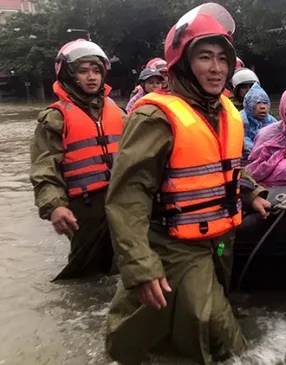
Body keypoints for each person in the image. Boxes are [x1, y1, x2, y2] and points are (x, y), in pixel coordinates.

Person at [103, 3, 271, 364]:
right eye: (205, 57)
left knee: (205, 320)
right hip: (174, 243)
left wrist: (251, 189)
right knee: (218, 332)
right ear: (183, 62)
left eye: (222, 59)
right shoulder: (154, 117)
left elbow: (226, 167)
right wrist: (139, 264)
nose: (216, 69)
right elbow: (127, 196)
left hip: (220, 240)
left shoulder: (225, 111)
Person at [29, 39, 125, 281]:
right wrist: (55, 206)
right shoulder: (54, 118)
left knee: (126, 264)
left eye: (96, 71)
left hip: (123, 201)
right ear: (70, 76)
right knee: (84, 275)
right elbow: (45, 168)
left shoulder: (120, 113)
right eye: (83, 71)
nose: (91, 77)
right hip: (85, 207)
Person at [241, 82, 277, 159]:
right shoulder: (242, 119)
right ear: (249, 105)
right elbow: (243, 141)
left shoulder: (271, 121)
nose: (262, 107)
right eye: (258, 103)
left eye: (265, 103)